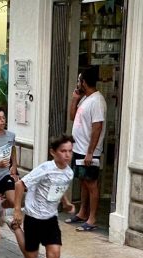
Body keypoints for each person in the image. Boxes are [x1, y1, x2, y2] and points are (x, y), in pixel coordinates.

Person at [8, 135, 75, 258]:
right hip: (34, 217)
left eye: (70, 151)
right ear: (53, 152)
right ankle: (15, 228)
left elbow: (60, 188)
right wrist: (17, 210)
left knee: (54, 254)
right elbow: (20, 184)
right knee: (31, 257)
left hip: (51, 218)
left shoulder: (69, 172)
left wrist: (66, 203)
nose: (67, 155)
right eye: (63, 151)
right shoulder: (45, 169)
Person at [67, 67, 107, 231]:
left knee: (91, 184)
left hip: (88, 151)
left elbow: (97, 127)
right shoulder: (85, 99)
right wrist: (75, 99)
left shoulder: (97, 101)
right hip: (79, 148)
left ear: (84, 82)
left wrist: (91, 152)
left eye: (79, 80)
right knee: (83, 182)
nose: (78, 83)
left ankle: (92, 219)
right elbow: (72, 117)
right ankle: (83, 213)